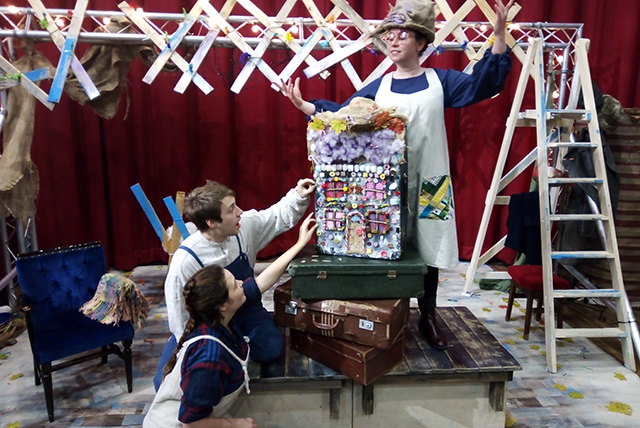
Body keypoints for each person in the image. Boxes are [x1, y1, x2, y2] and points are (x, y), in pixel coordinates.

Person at [282, 0, 514, 349]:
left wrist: (499, 36)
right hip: (384, 186)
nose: (392, 41)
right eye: (389, 35)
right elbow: (346, 115)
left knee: (430, 250)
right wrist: (307, 107)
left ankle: (429, 315)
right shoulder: (381, 86)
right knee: (385, 244)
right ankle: (388, 312)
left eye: (402, 35)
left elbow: (483, 84)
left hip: (431, 182)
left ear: (421, 42)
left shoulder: (441, 81)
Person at [144, 214, 318, 428]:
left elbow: (261, 282)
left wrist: (299, 244)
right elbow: (191, 422)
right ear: (223, 304)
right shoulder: (209, 355)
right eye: (235, 285)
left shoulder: (221, 319)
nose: (240, 283)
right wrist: (236, 424)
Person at [154, 178, 315, 390]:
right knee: (164, 381)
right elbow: (179, 314)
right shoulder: (186, 260)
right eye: (231, 210)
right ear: (212, 223)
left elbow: (275, 217)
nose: (240, 212)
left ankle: (233, 347)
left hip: (246, 308)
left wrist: (298, 195)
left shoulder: (243, 227)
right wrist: (191, 342)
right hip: (210, 323)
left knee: (271, 348)